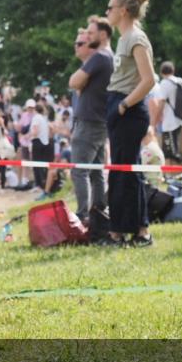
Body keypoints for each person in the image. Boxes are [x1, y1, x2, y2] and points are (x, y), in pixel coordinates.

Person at [103, 0, 156, 246]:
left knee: (126, 171)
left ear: (123, 11)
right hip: (119, 105)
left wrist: (123, 105)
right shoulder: (124, 38)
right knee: (122, 170)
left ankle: (132, 232)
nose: (107, 12)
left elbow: (149, 80)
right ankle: (130, 230)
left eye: (110, 7)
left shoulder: (136, 38)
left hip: (130, 109)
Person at [68, 24, 113, 223]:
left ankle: (83, 214)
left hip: (90, 122)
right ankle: (97, 211)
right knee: (95, 171)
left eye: (81, 42)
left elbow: (74, 82)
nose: (76, 47)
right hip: (96, 121)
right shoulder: (102, 59)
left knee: (80, 170)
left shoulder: (100, 57)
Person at [28, 103, 53, 197]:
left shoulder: (36, 118)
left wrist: (29, 136)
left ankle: (38, 184)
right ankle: (43, 184)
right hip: (44, 142)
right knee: (42, 165)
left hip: (37, 141)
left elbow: (35, 130)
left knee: (36, 164)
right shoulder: (43, 118)